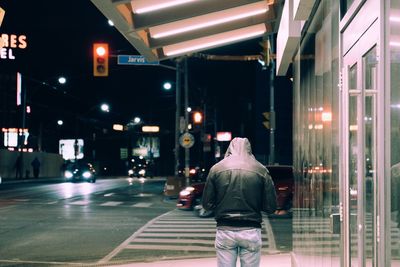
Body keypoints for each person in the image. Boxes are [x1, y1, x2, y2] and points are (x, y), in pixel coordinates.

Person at [202, 137, 277, 267]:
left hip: (225, 229)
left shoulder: (216, 169)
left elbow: (207, 204)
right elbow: (271, 207)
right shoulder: (261, 170)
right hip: (251, 230)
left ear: (229, 149)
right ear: (249, 150)